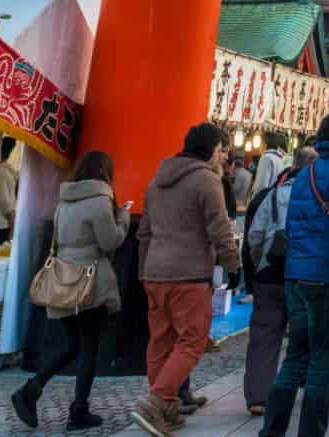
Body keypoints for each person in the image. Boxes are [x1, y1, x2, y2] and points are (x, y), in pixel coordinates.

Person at [262, 108, 329, 437]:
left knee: (295, 358)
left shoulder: (306, 172)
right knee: (323, 364)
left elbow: (292, 226)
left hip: (297, 274)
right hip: (327, 277)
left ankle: (272, 431)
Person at [132, 123, 240, 437]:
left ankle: (165, 411)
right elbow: (220, 229)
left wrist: (143, 270)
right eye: (221, 151)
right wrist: (233, 266)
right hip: (189, 273)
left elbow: (144, 234)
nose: (223, 157)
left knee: (161, 342)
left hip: (155, 272)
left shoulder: (157, 182)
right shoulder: (206, 180)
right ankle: (157, 402)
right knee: (193, 341)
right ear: (209, 150)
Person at [13, 150, 129, 432]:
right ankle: (79, 410)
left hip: (63, 277)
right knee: (89, 346)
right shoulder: (101, 201)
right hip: (89, 282)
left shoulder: (64, 201)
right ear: (105, 173)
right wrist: (123, 216)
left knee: (70, 344)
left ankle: (32, 388)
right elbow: (109, 241)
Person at [242, 146, 314, 416]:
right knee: (302, 336)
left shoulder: (271, 195)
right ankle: (292, 388)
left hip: (269, 275)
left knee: (264, 337)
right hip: (302, 275)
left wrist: (261, 263)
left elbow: (255, 237)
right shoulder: (315, 199)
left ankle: (258, 397)